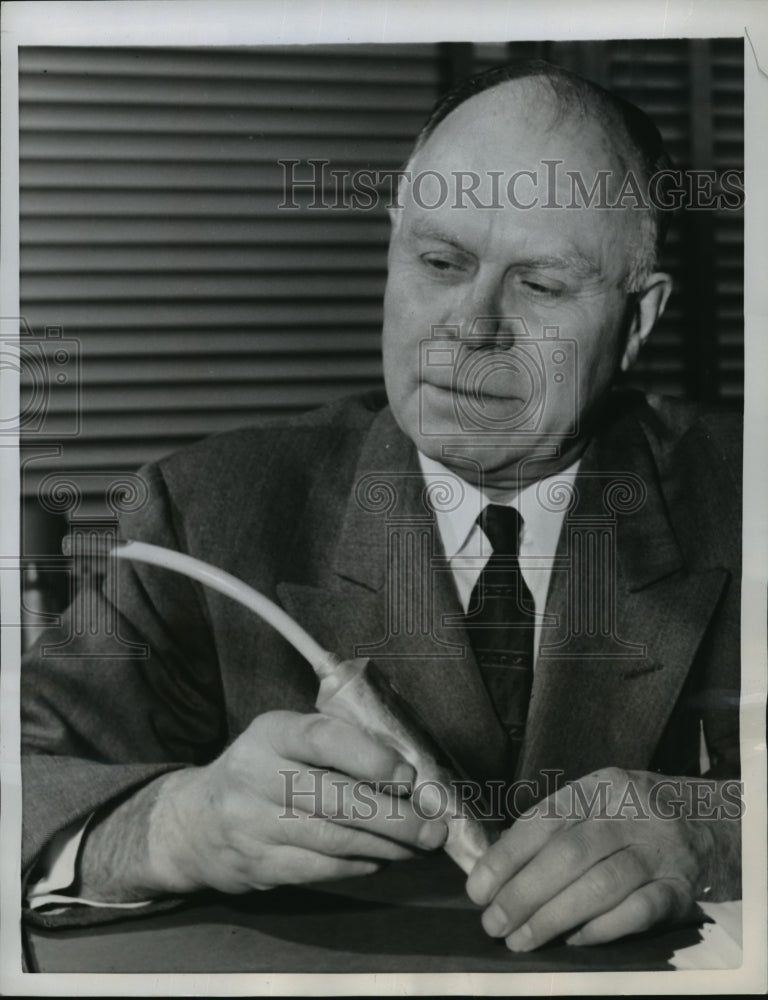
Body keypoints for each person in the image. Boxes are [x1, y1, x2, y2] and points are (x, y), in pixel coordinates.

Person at [22, 60, 742, 953]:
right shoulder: (208, 512)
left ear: (637, 323)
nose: (471, 327)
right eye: (441, 262)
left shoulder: (743, 499)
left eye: (542, 286)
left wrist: (724, 833)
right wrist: (172, 827)